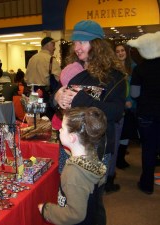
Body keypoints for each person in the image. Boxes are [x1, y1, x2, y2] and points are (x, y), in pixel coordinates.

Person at [53, 20, 126, 224]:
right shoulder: (74, 69)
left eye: (82, 42)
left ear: (97, 44)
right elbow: (57, 100)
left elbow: (116, 111)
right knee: (66, 195)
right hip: (68, 145)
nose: (77, 48)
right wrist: (56, 97)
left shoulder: (114, 76)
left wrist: (80, 98)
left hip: (95, 149)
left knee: (91, 202)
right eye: (75, 43)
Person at [38, 107, 107, 225]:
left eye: (63, 128)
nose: (59, 130)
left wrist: (46, 210)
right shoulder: (92, 156)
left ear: (72, 137)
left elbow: (75, 214)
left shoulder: (73, 172)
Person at [128, 31, 160, 194]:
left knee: (148, 149)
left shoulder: (139, 70)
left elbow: (134, 94)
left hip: (146, 114)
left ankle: (147, 185)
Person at [25, 37, 61, 119]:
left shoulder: (32, 59)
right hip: (46, 93)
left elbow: (26, 78)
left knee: (35, 118)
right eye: (53, 45)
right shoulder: (50, 59)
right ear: (48, 45)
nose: (54, 48)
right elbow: (59, 78)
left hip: (33, 93)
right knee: (48, 119)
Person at [115, 43, 138, 169]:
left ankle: (121, 158)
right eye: (117, 51)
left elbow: (136, 87)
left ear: (127, 51)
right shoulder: (113, 68)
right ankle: (118, 159)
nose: (120, 53)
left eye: (122, 50)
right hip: (118, 105)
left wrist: (130, 101)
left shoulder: (134, 67)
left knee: (126, 133)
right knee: (119, 133)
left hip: (131, 106)